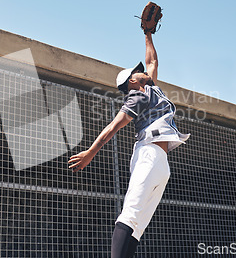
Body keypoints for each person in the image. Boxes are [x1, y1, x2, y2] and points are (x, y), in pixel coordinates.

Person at [68, 29, 190, 258]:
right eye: (140, 72)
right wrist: (91, 153)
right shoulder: (136, 97)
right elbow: (113, 126)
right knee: (131, 214)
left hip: (162, 162)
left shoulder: (152, 88)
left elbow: (152, 60)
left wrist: (148, 34)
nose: (145, 71)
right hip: (148, 154)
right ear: (132, 80)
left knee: (139, 226)